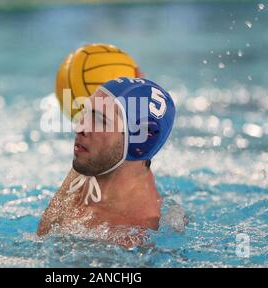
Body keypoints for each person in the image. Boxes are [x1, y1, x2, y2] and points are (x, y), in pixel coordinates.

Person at [37, 77, 175, 247]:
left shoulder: (130, 238)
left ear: (140, 141)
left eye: (101, 120)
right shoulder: (98, 166)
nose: (79, 128)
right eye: (86, 112)